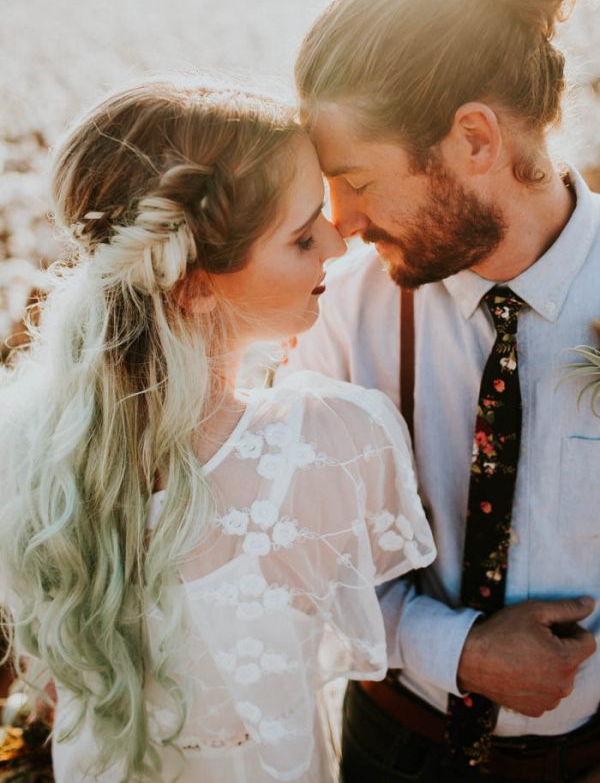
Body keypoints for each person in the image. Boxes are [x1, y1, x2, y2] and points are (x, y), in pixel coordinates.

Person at [0, 78, 436, 783]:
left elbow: (48, 685)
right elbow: (380, 617)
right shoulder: (331, 444)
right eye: (300, 237)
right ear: (193, 285)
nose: (336, 241)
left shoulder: (17, 443)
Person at [279, 0, 600, 781]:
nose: (339, 223)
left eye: (358, 181)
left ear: (474, 139)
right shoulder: (346, 306)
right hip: (395, 746)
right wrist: (457, 649)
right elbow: (307, 559)